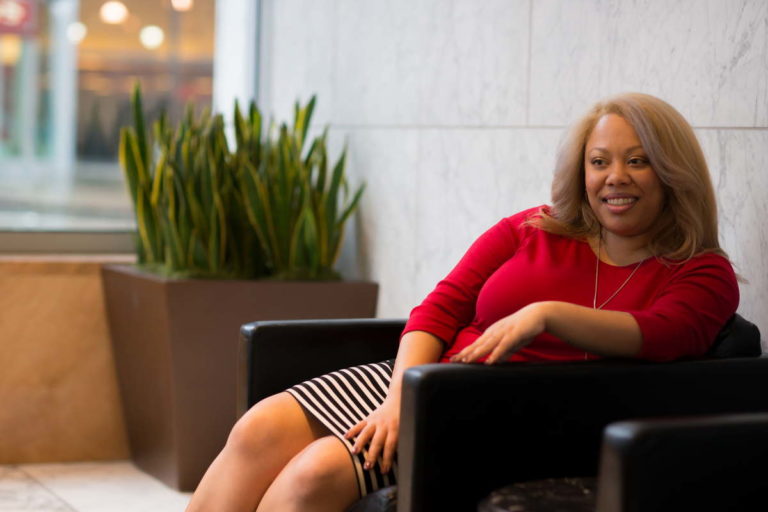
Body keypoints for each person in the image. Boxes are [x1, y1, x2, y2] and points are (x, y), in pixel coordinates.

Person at [185, 92, 738, 512]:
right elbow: (440, 309)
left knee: (312, 475)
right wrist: (402, 395)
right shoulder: (531, 228)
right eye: (600, 162)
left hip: (501, 412)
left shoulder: (701, 271)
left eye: (637, 161)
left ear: (671, 172)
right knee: (258, 428)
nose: (615, 178)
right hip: (423, 377)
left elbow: (664, 335)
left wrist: (545, 315)